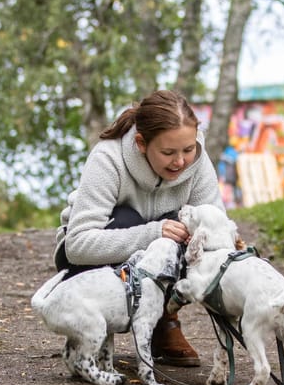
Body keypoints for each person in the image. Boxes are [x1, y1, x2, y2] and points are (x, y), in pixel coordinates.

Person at [54, 89, 225, 367]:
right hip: (82, 259)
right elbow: (77, 246)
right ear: (141, 143)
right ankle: (91, 327)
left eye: (188, 149)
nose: (180, 161)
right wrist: (152, 233)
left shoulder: (199, 162)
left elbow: (217, 228)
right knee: (127, 218)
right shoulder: (108, 158)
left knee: (196, 229)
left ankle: (163, 322)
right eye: (168, 152)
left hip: (156, 255)